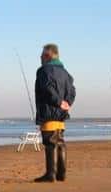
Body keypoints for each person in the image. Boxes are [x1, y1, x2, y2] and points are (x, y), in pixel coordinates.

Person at [34, 43, 76, 183]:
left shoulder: (43, 71)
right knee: (60, 142)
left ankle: (51, 174)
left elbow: (47, 89)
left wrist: (59, 102)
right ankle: (61, 174)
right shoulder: (66, 73)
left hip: (49, 112)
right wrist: (67, 103)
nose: (40, 57)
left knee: (50, 143)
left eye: (41, 55)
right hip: (61, 115)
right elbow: (72, 91)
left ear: (47, 56)